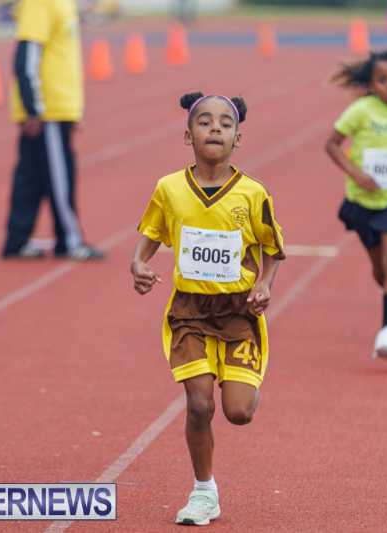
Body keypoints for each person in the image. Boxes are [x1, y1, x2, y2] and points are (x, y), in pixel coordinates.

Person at [132, 93, 285, 525]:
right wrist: (139, 264)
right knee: (199, 405)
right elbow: (150, 235)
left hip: (238, 313)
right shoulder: (170, 189)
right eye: (204, 122)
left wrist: (264, 284)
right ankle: (204, 492)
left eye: (224, 123)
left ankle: (244, 384)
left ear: (238, 138)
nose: (214, 128)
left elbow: (272, 248)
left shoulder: (253, 193)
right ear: (188, 136)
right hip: (190, 312)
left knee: (239, 413)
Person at [325, 48, 387, 359]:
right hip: (363, 202)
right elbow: (332, 145)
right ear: (371, 84)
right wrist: (356, 175)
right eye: (382, 80)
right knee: (380, 270)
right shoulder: (361, 111)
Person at [2, 0, 103, 260]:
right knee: (60, 176)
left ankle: (17, 240)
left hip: (58, 108)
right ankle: (69, 241)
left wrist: (73, 110)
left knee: (31, 176)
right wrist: (33, 108)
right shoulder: (41, 3)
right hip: (47, 111)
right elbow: (26, 56)